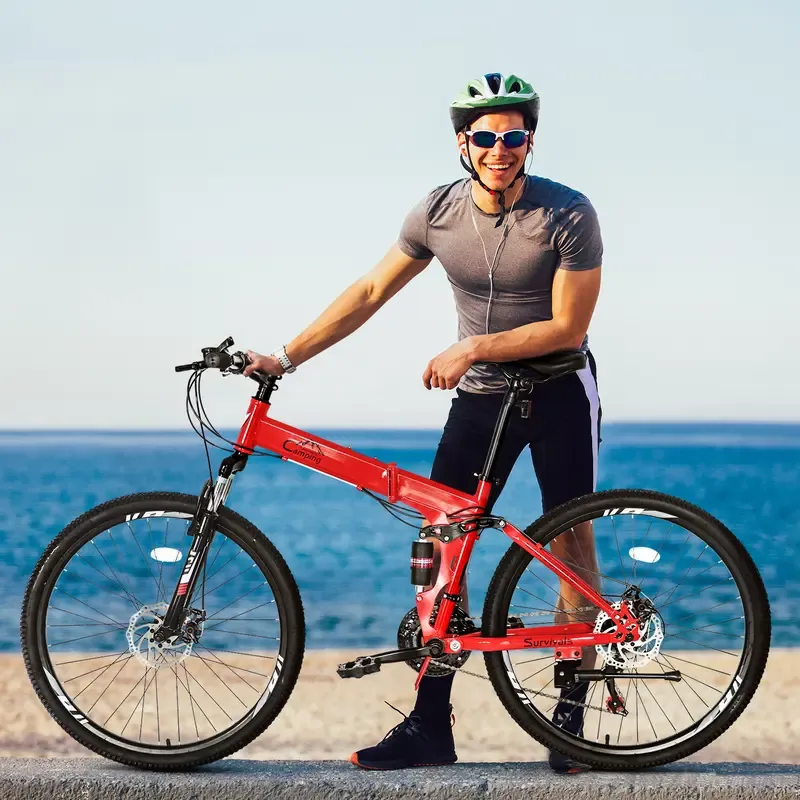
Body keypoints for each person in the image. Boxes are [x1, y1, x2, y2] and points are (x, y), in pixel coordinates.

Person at [244, 72, 603, 774]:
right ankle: (430, 725)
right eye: (485, 136)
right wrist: (285, 357)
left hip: (560, 389)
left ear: (530, 142)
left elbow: (568, 327)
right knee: (443, 545)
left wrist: (473, 346)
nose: (499, 149)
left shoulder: (568, 213)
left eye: (513, 136)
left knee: (568, 543)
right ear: (462, 143)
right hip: (483, 397)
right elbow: (370, 290)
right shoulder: (437, 213)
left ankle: (571, 718)